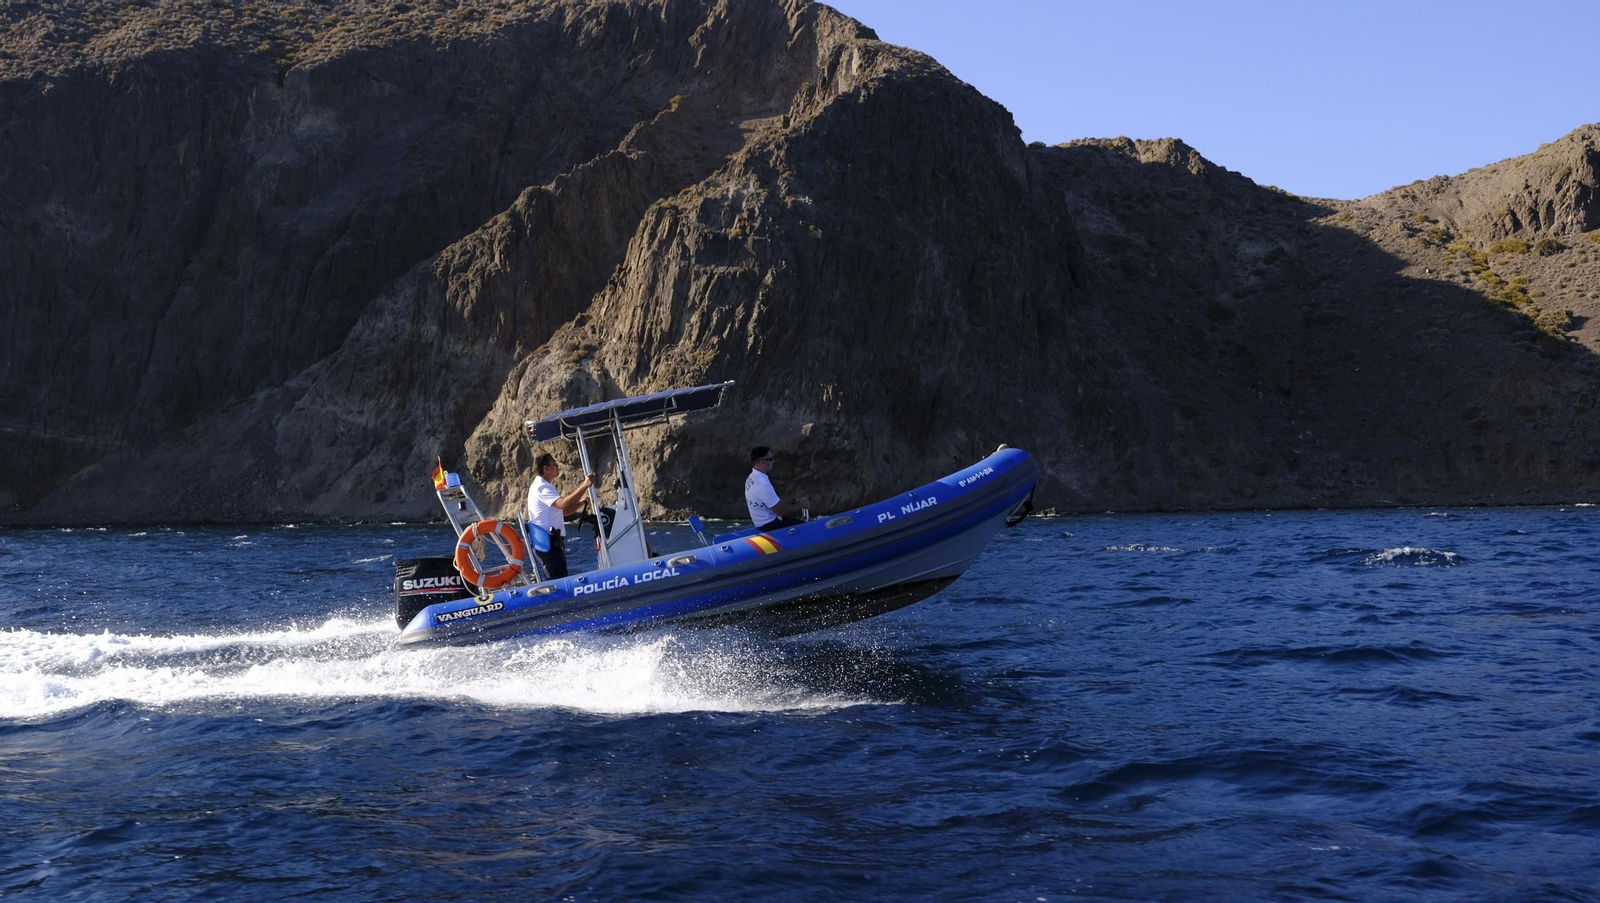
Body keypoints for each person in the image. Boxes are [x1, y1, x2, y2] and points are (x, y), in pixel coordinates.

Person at [528, 452, 593, 579]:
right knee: (557, 579)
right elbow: (563, 504)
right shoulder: (542, 487)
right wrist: (585, 485)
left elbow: (562, 512)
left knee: (560, 577)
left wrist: (580, 504)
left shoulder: (544, 486)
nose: (557, 466)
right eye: (554, 464)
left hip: (552, 543)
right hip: (548, 544)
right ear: (546, 468)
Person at [745, 446, 809, 529]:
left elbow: (771, 502)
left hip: (762, 523)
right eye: (770, 459)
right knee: (807, 527)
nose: (773, 461)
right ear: (762, 462)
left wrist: (793, 502)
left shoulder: (752, 477)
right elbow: (781, 511)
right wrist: (801, 504)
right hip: (771, 525)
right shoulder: (762, 484)